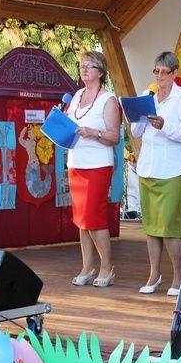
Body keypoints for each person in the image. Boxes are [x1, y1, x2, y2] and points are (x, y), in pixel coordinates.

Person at [131, 51, 181, 297]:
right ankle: (154, 273)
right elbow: (136, 132)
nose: (159, 76)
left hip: (172, 170)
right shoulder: (147, 95)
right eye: (156, 71)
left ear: (174, 73)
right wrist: (139, 117)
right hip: (148, 167)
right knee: (151, 226)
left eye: (164, 72)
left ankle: (179, 276)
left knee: (169, 225)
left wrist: (164, 125)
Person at [67, 51, 121, 287]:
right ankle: (87, 267)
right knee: (81, 219)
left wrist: (94, 132)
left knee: (94, 218)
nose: (84, 69)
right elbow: (69, 125)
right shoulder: (77, 95)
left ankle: (107, 267)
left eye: (90, 65)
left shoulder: (108, 99)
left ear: (100, 72)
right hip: (76, 163)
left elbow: (114, 136)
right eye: (82, 65)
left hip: (97, 164)